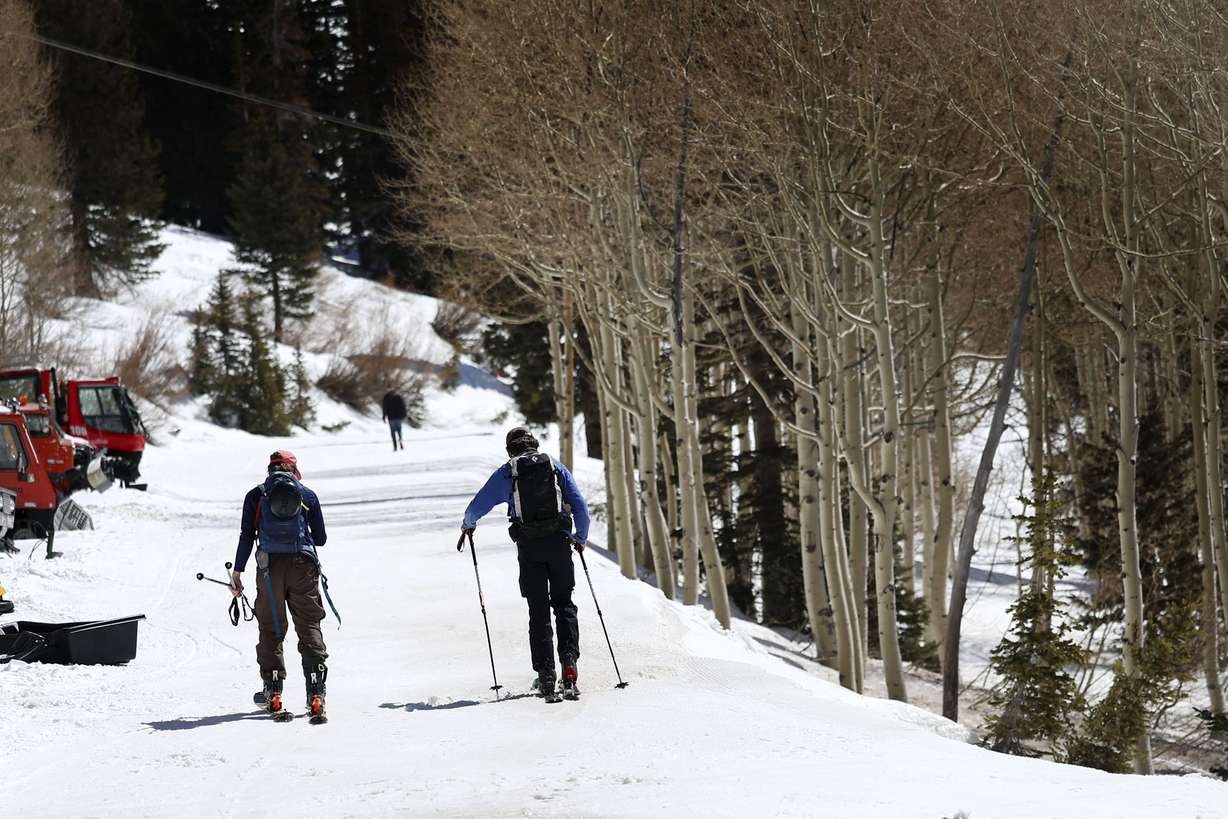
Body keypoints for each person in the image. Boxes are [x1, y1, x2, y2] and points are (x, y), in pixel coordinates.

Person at [460, 426, 590, 701]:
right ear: (534, 444)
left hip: (530, 548)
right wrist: (581, 537)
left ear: (510, 450)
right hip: (559, 544)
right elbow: (579, 504)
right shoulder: (554, 466)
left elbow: (478, 504)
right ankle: (569, 667)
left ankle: (545, 675)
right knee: (564, 604)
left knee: (539, 609)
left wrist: (468, 524)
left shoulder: (508, 472)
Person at [231, 450, 330, 721]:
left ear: (270, 469)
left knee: (271, 628)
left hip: (268, 568)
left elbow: (246, 536)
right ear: (294, 469)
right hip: (303, 567)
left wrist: (237, 573)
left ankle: (273, 692)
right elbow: (320, 539)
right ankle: (316, 693)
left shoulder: (256, 495)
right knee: (309, 625)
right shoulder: (307, 495)